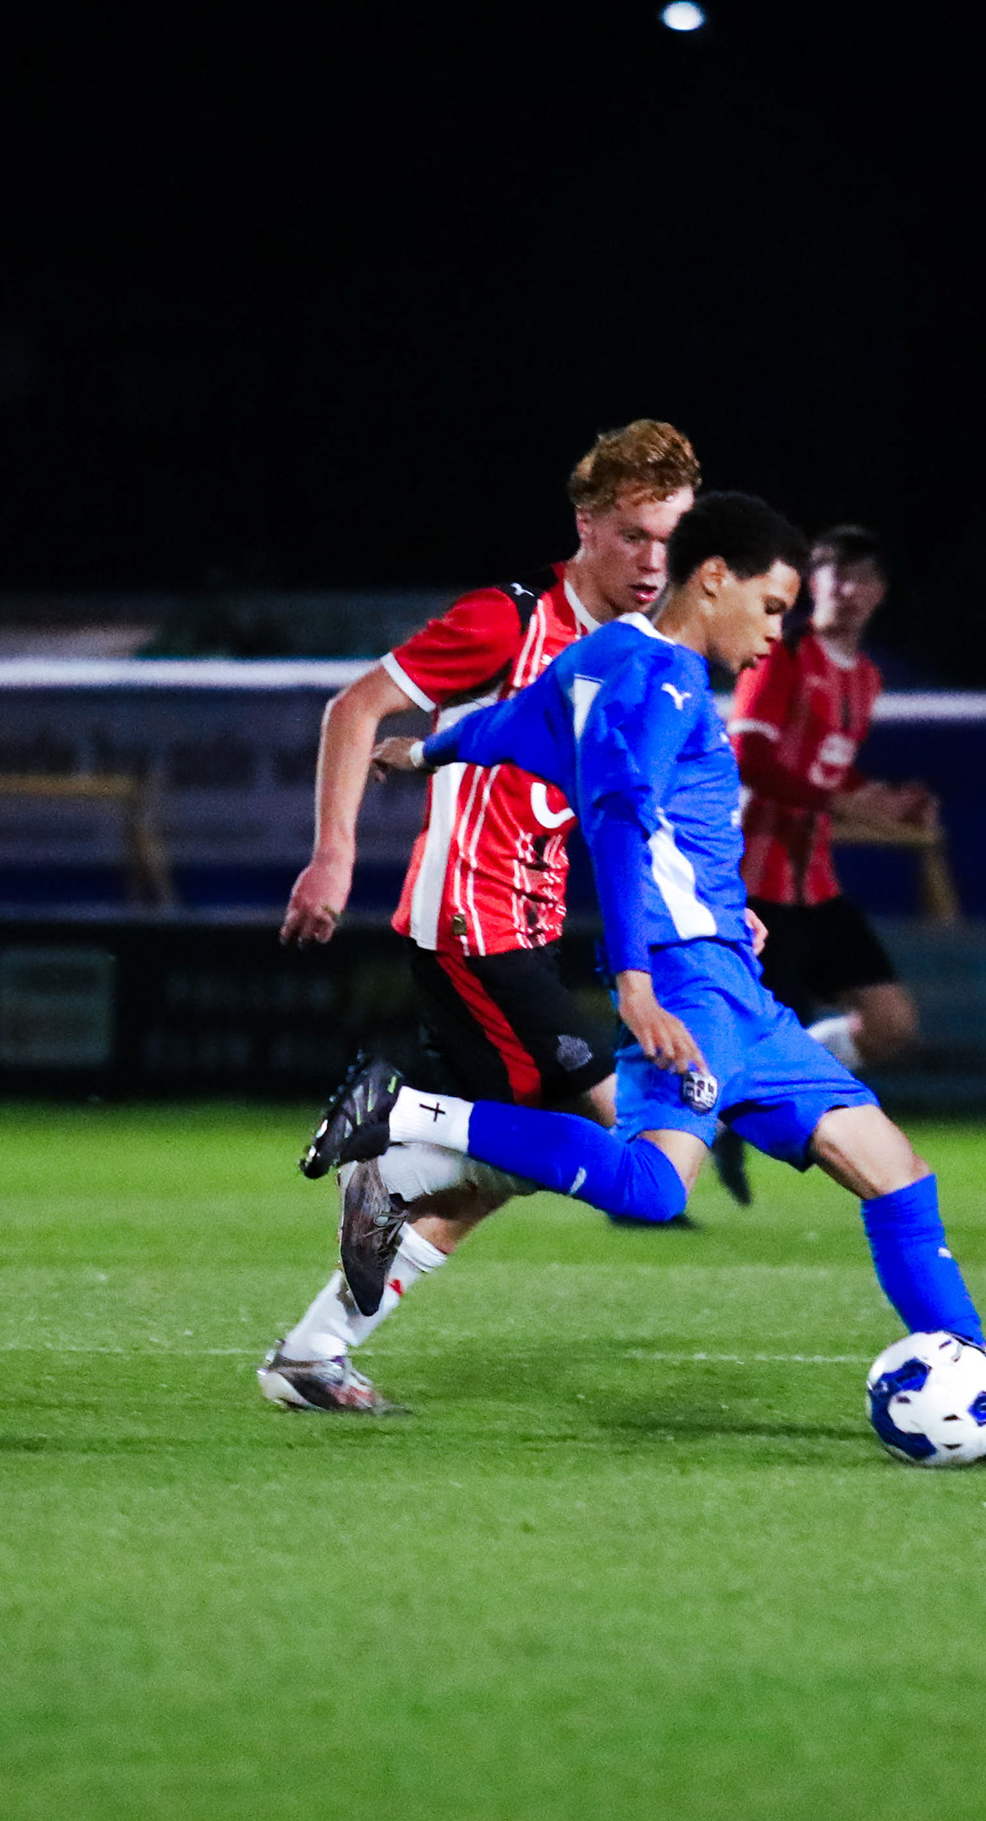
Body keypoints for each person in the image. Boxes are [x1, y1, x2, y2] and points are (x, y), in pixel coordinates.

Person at [320, 491, 986, 1466]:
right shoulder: (665, 687)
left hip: (743, 997)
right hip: (689, 992)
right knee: (654, 1190)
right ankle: (408, 1114)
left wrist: (421, 751)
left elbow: (506, 726)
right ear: (715, 579)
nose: (776, 631)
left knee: (898, 1176)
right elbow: (619, 817)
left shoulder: (596, 664)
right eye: (774, 604)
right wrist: (632, 981)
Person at [258, 419, 698, 1412]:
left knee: (502, 1169)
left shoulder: (628, 657)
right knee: (621, 1143)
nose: (652, 562)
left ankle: (314, 1351)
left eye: (670, 541)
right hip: (470, 926)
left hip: (523, 932)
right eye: (634, 535)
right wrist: (333, 854)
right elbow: (356, 707)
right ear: (587, 524)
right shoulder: (510, 620)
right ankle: (389, 1139)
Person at [718, 524, 933, 1203]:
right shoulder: (779, 658)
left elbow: (827, 772)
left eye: (861, 578)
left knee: (892, 1024)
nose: (848, 590)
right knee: (730, 1043)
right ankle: (650, 1156)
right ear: (814, 585)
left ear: (879, 593)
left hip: (817, 886)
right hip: (758, 886)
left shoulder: (865, 679)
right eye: (835, 576)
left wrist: (887, 799)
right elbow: (749, 760)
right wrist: (853, 809)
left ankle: (741, 1102)